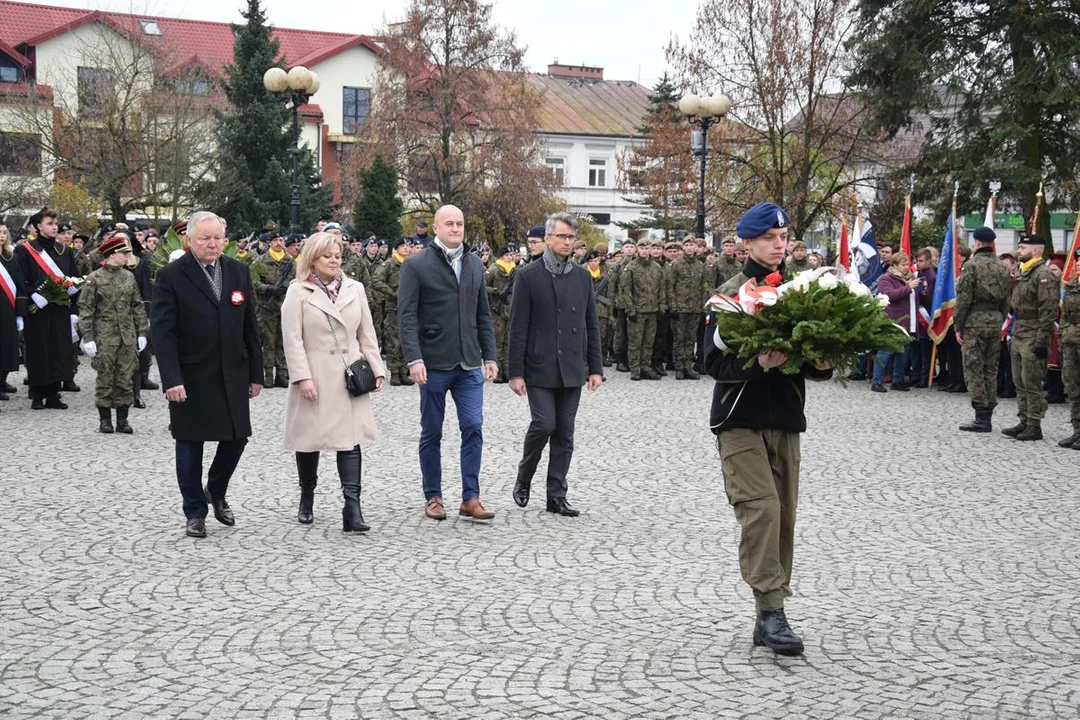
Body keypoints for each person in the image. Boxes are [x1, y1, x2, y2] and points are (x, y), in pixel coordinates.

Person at [705, 202, 833, 657]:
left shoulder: (802, 290)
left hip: (785, 418)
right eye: (769, 239)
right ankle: (771, 612)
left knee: (784, 515)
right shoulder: (729, 293)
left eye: (783, 238)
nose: (779, 246)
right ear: (747, 243)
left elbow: (813, 361)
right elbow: (711, 361)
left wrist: (823, 363)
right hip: (739, 419)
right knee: (761, 510)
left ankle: (770, 612)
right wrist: (757, 364)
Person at [150, 211, 264, 538]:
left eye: (218, 238)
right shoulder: (171, 276)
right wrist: (171, 378)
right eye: (205, 238)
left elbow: (250, 328)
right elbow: (164, 332)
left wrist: (256, 373)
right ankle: (195, 511)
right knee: (190, 445)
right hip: (190, 375)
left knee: (237, 437)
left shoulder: (238, 272)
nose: (213, 244)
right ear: (189, 239)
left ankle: (215, 489)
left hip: (232, 372)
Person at [397, 204, 499, 522]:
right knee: (432, 432)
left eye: (460, 224)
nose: (456, 229)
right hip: (433, 362)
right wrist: (414, 358)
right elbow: (407, 315)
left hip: (468, 363)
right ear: (436, 228)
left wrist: (490, 355)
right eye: (450, 224)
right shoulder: (416, 265)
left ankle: (471, 497)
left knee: (473, 427)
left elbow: (483, 314)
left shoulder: (473, 264)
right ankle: (434, 496)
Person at [281, 232, 386, 531]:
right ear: (312, 259)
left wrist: (376, 369)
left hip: (348, 373)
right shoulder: (297, 292)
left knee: (349, 441)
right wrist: (302, 377)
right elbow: (292, 339)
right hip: (315, 371)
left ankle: (352, 508)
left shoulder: (356, 288)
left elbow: (367, 333)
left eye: (338, 255)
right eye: (327, 255)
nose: (334, 260)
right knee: (309, 440)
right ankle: (307, 497)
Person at [507, 213, 603, 517]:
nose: (566, 242)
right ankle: (525, 476)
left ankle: (556, 494)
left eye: (571, 237)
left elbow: (591, 324)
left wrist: (596, 367)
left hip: (572, 366)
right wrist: (515, 372)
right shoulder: (528, 275)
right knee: (544, 424)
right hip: (539, 365)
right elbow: (518, 327)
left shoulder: (582, 276)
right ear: (547, 239)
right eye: (561, 236)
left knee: (564, 434)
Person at [78, 231, 148, 434]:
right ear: (112, 254)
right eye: (124, 253)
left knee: (125, 378)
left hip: (127, 337)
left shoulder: (128, 277)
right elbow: (86, 309)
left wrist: (142, 332)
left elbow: (137, 306)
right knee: (105, 378)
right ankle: (105, 419)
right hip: (104, 337)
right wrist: (88, 337)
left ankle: (123, 420)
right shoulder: (95, 278)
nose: (127, 256)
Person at [15, 208, 78, 409]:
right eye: (49, 223)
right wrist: (33, 294)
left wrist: (74, 292)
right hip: (38, 309)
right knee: (39, 350)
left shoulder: (65, 251)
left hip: (59, 309)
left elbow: (73, 277)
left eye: (55, 223)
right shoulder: (25, 250)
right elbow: (20, 279)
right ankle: (37, 394)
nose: (54, 227)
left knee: (58, 350)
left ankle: (53, 394)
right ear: (38, 227)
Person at [954, 227, 1011, 432]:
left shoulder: (971, 266)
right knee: (990, 369)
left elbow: (964, 299)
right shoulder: (1003, 267)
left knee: (973, 368)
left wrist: (958, 325)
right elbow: (1007, 299)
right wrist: (999, 318)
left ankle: (981, 416)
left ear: (977, 242)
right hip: (995, 321)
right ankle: (988, 413)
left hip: (974, 322)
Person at [1002, 233, 1057, 441]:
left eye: (1022, 248)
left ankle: (1034, 424)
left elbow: (1048, 310)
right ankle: (1024, 419)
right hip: (1019, 330)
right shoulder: (1024, 272)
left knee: (1031, 380)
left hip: (1034, 331)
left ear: (1034, 250)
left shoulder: (1043, 275)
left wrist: (1042, 340)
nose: (1018, 251)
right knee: (1019, 379)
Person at [250, 230, 295, 388]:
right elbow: (253, 281)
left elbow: (297, 281)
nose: (278, 242)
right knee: (269, 341)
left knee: (283, 340)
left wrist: (287, 288)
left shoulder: (290, 262)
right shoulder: (260, 261)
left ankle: (282, 374)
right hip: (267, 306)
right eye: (275, 240)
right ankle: (268, 374)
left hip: (286, 306)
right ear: (269, 242)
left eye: (281, 239)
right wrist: (268, 289)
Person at [870, 253, 919, 393]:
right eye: (903, 265)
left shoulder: (911, 278)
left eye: (907, 264)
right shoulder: (886, 278)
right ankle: (876, 381)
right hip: (894, 320)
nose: (906, 267)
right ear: (895, 265)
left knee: (903, 352)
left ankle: (898, 381)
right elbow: (889, 295)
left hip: (909, 321)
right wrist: (908, 287)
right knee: (886, 351)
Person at [618, 240, 665, 380]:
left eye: (647, 248)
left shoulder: (656, 267)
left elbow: (661, 289)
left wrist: (662, 307)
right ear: (637, 249)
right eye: (642, 248)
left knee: (649, 342)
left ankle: (646, 366)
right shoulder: (631, 267)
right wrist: (630, 309)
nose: (645, 250)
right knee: (635, 342)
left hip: (652, 310)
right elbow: (625, 290)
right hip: (637, 311)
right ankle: (635, 368)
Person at [370, 237, 413, 386]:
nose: (406, 249)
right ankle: (394, 372)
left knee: (406, 338)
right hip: (393, 307)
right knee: (393, 339)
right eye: (403, 246)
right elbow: (376, 280)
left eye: (408, 246)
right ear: (396, 249)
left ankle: (404, 370)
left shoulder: (411, 263)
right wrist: (393, 293)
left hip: (409, 306)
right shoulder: (390, 263)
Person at [668, 236, 706, 379]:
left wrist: (703, 307)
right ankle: (679, 366)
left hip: (695, 308)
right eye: (687, 245)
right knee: (679, 338)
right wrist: (672, 306)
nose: (689, 247)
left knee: (690, 339)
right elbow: (670, 286)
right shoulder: (676, 264)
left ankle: (688, 366)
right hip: (680, 307)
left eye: (692, 245)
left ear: (696, 247)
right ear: (683, 247)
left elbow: (703, 288)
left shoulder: (700, 266)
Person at [0, 223, 27, 408]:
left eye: (4, 232)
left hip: (7, 309)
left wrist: (20, 313)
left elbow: (19, 285)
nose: (1, 236)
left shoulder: (12, 258)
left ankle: (2, 381)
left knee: (7, 346)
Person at [484, 244, 516, 382]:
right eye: (507, 255)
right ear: (501, 257)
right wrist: (494, 291)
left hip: (509, 308)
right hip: (496, 308)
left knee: (508, 340)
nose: (509, 258)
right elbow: (482, 286)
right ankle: (497, 370)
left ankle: (507, 370)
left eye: (511, 255)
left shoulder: (514, 270)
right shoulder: (493, 269)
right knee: (498, 339)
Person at [1059, 251, 1080, 449]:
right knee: (1072, 387)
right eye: (1078, 260)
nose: (1079, 264)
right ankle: (1077, 430)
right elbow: (1065, 315)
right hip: (1071, 341)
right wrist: (1063, 336)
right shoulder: (1072, 285)